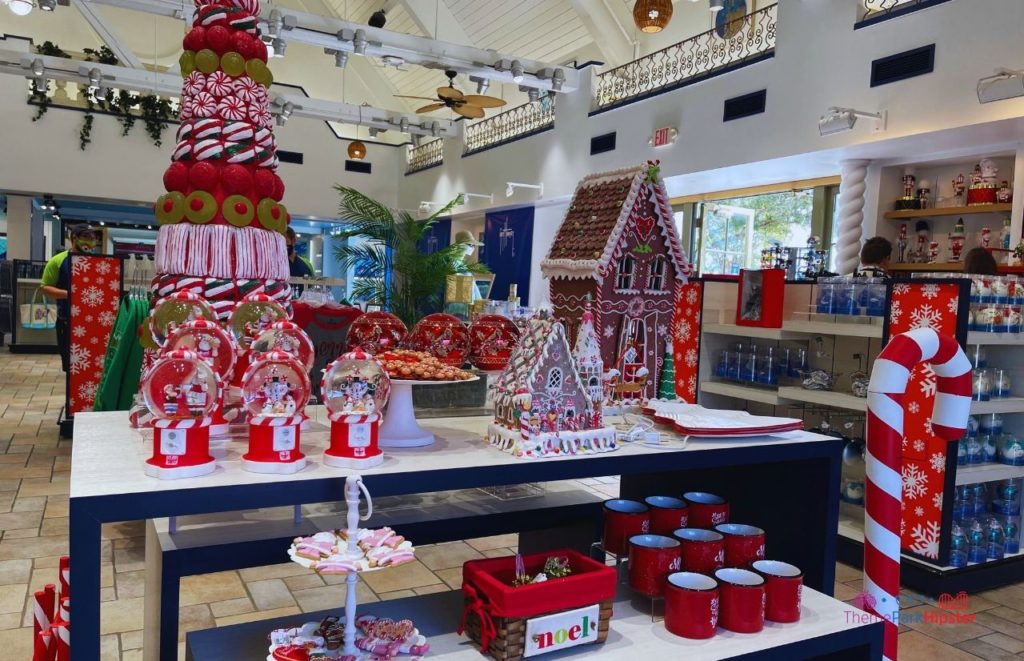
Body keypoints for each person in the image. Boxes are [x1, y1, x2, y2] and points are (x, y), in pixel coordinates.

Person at [40, 224, 99, 372]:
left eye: (93, 238)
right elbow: (45, 288)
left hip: (95, 323)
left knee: (93, 364)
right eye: (86, 237)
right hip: (68, 321)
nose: (90, 242)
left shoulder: (98, 262)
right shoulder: (58, 261)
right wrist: (71, 294)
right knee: (71, 367)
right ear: (74, 238)